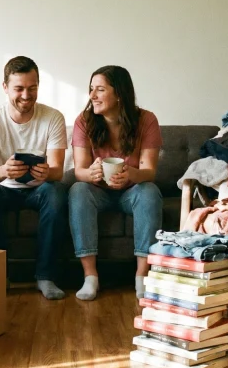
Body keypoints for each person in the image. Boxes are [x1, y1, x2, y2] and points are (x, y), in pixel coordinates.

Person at [0, 56, 68, 300]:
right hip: (4, 188)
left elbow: (58, 171)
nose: (26, 95)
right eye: (19, 89)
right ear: (5, 87)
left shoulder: (53, 117)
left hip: (39, 189)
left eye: (32, 88)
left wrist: (46, 172)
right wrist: (5, 170)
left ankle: (46, 276)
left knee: (56, 191)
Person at [68, 65, 163, 300]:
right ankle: (90, 277)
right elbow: (79, 171)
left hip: (131, 192)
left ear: (119, 93)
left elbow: (149, 171)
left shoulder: (146, 120)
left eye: (100, 89)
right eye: (91, 89)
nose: (92, 95)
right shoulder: (84, 121)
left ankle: (142, 276)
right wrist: (91, 173)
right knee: (78, 190)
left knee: (150, 191)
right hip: (97, 192)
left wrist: (131, 174)